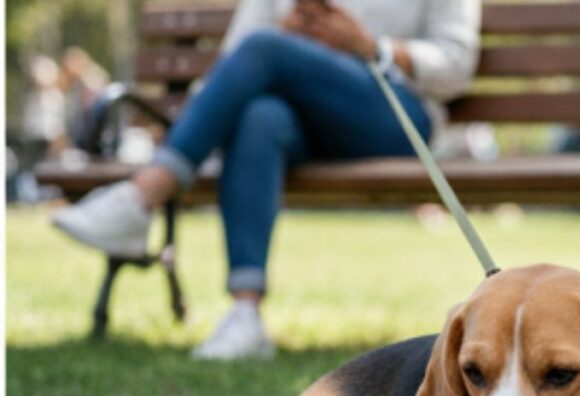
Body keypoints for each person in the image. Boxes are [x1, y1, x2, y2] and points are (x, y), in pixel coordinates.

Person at [52, 0, 480, 360]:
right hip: (299, 118)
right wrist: (294, 46)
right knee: (261, 115)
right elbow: (237, 57)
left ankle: (143, 197)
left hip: (392, 113)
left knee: (265, 49)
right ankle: (245, 315)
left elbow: (457, 63)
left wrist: (370, 46)